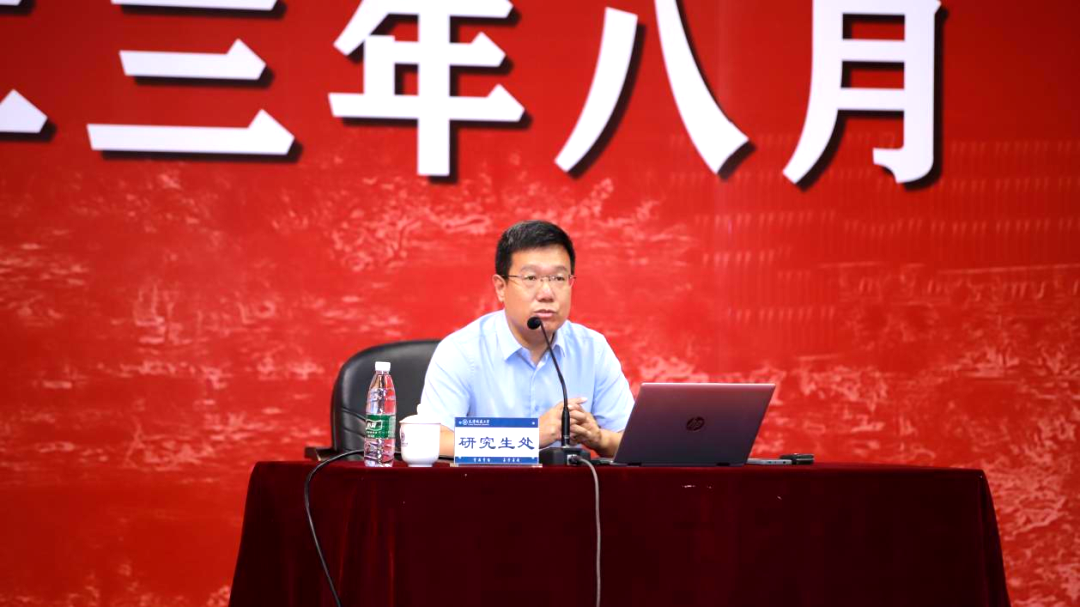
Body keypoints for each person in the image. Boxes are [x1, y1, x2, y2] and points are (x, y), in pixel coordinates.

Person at [418, 220, 634, 458]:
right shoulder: (461, 351)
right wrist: (531, 436)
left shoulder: (592, 350)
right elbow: (431, 441)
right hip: (485, 482)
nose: (546, 293)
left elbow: (633, 442)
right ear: (501, 287)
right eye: (530, 278)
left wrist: (599, 437)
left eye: (558, 278)